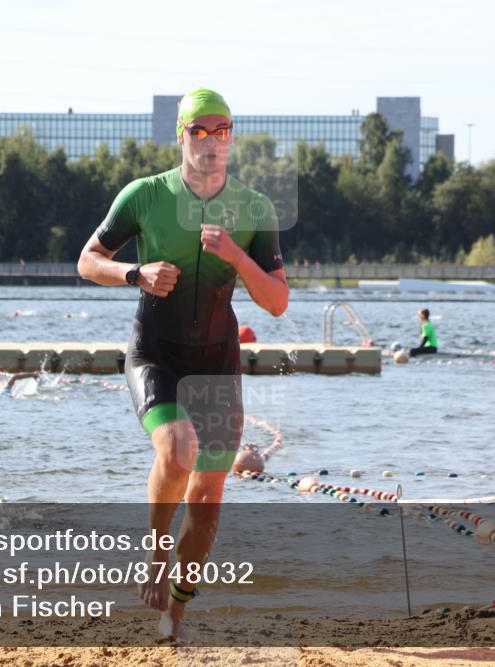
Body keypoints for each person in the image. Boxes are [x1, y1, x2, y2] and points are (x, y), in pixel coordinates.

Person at [77, 88, 289, 641]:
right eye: (201, 130)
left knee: (209, 497)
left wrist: (239, 257)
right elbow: (87, 260)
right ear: (182, 135)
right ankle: (154, 552)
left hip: (217, 361)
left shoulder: (254, 208)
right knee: (177, 449)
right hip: (155, 353)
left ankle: (176, 608)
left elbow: (278, 301)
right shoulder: (144, 196)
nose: (213, 141)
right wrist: (134, 273)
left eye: (223, 131)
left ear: (231, 138)